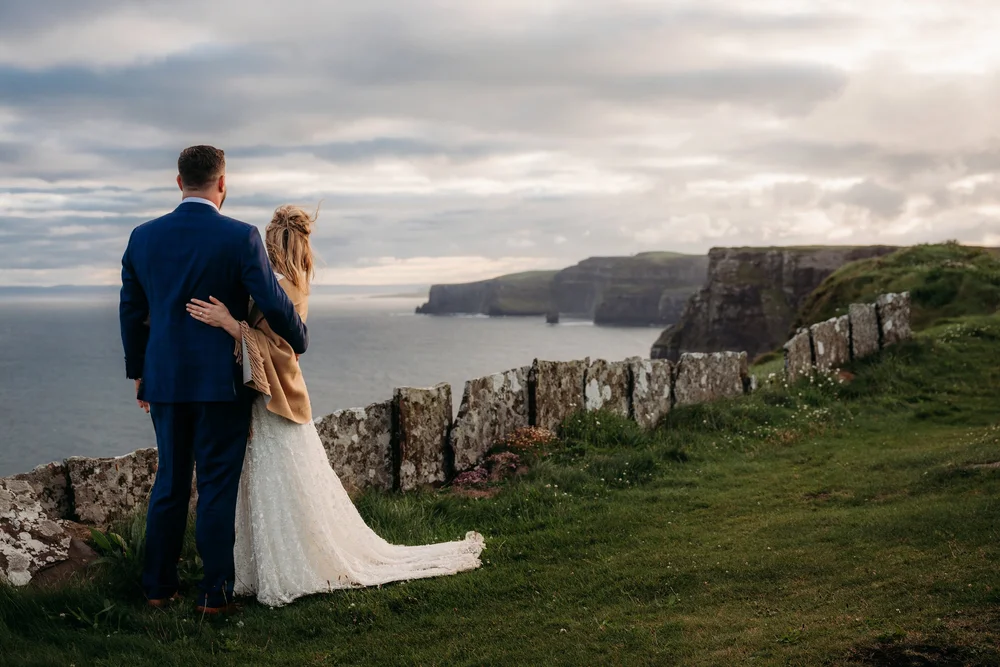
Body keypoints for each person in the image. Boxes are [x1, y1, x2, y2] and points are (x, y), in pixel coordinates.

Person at [186, 205, 484, 608]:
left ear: (275, 245)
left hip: (278, 403)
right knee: (272, 489)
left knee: (283, 486)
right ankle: (263, 566)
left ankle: (293, 565)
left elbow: (279, 349)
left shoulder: (287, 289)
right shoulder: (283, 284)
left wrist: (229, 323)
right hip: (264, 400)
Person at [119, 146, 309, 614]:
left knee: (170, 483)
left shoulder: (142, 237)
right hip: (222, 383)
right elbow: (272, 300)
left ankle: (158, 588)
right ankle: (214, 594)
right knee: (217, 488)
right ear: (222, 184)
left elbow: (132, 313)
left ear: (178, 181)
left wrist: (141, 373)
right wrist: (297, 336)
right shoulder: (240, 237)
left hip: (163, 382)